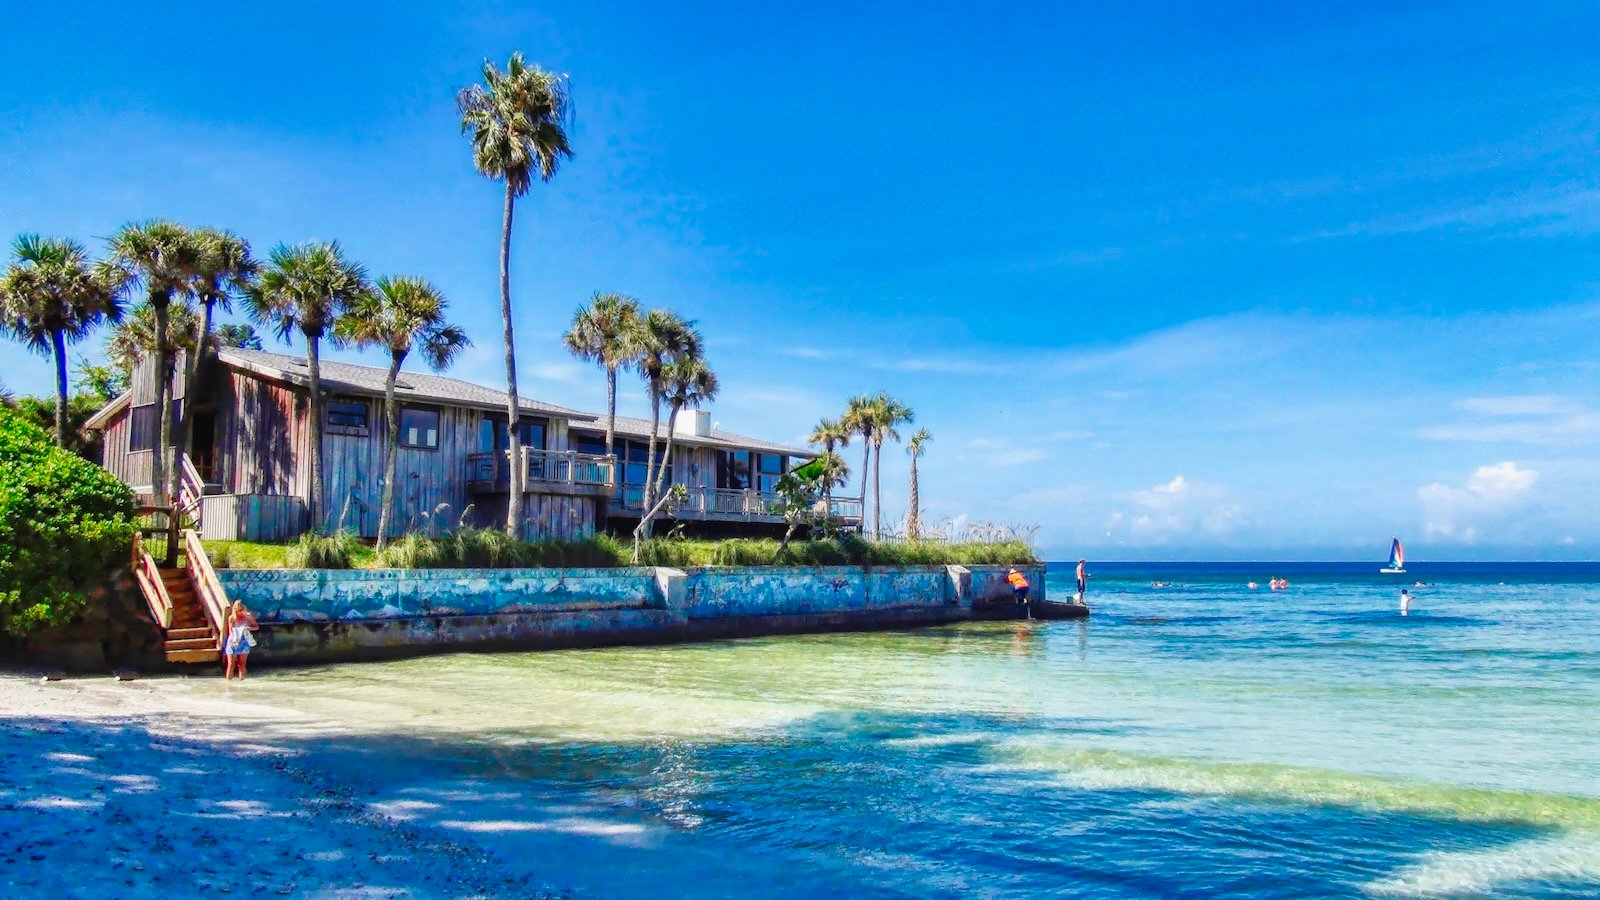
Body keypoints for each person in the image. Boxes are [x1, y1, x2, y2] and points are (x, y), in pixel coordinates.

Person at [223, 601, 259, 680]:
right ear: (235, 610)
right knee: (231, 664)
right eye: (239, 610)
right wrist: (234, 640)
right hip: (233, 640)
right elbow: (230, 630)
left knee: (242, 664)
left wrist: (249, 628)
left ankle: (241, 682)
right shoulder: (232, 618)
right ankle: (228, 684)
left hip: (244, 641)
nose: (241, 612)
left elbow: (256, 627)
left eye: (242, 610)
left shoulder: (248, 617)